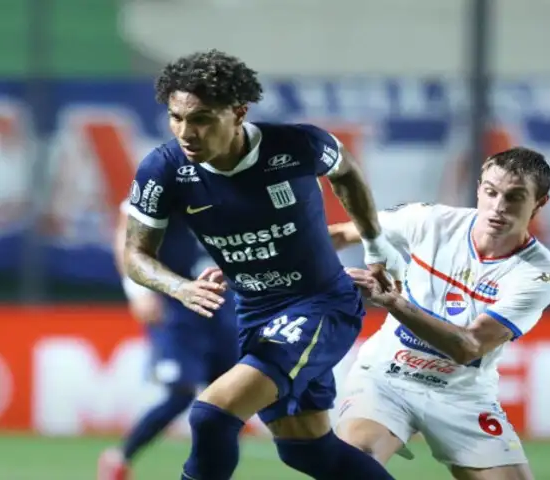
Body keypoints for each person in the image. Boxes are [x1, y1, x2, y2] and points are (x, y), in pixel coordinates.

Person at [123, 49, 403, 480]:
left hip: (321, 305)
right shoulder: (164, 169)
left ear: (238, 113)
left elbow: (346, 171)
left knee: (211, 415)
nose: (185, 132)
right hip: (254, 313)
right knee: (307, 453)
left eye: (201, 118)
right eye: (176, 117)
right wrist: (179, 287)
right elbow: (136, 255)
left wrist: (374, 243)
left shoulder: (296, 145)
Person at [330, 147, 550, 480]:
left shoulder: (538, 274)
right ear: (479, 188)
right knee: (354, 468)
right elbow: (340, 234)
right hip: (387, 377)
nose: (498, 207)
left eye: (514, 197)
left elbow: (467, 347)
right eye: (490, 192)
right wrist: (245, 264)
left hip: (462, 394)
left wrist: (394, 302)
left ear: (540, 202)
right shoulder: (430, 221)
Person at [98, 200, 238, 480]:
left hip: (225, 302)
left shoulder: (237, 174)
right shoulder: (171, 172)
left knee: (229, 398)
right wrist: (137, 292)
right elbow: (128, 231)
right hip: (177, 300)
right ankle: (121, 456)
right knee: (181, 392)